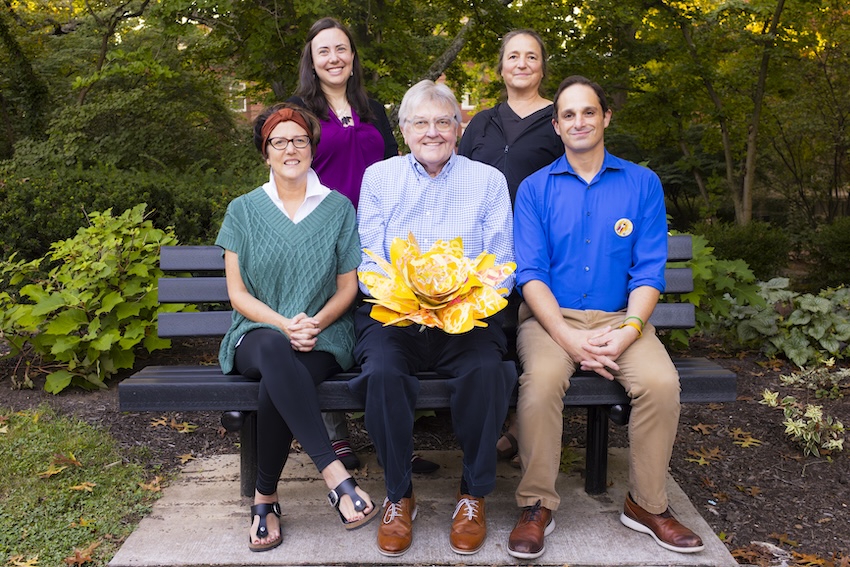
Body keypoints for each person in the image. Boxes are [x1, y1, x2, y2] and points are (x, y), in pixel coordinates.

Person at [507, 75, 705, 559]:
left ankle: (646, 505)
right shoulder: (535, 189)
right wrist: (567, 339)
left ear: (605, 117)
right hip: (552, 320)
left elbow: (649, 272)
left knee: (660, 383)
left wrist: (628, 332)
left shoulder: (641, 183)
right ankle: (536, 505)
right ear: (556, 125)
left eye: (588, 112)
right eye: (569, 114)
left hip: (621, 319)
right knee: (540, 383)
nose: (579, 121)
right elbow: (530, 274)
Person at [350, 80, 517, 557]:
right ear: (403, 130)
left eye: (443, 122)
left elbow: (501, 264)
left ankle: (472, 494)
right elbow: (370, 263)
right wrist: (414, 303)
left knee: (489, 372)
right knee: (380, 373)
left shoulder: (487, 181)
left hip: (467, 314)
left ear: (459, 128)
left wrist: (459, 304)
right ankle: (399, 494)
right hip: (397, 314)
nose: (432, 131)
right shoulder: (379, 178)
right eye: (420, 122)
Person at [216, 102, 378, 552]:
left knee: (278, 385)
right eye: (280, 141)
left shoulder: (339, 208)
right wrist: (284, 325)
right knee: (272, 351)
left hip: (324, 336)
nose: (291, 148)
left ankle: (264, 499)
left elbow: (348, 288)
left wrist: (315, 322)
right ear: (265, 152)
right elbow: (239, 296)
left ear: (312, 147)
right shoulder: (243, 210)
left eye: (300, 139)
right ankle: (335, 475)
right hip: (257, 333)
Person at [288, 18, 442, 474]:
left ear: (353, 56)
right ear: (312, 62)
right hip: (323, 233)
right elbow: (286, 166)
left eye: (341, 49)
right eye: (323, 52)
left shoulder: (372, 107)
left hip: (381, 235)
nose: (334, 58)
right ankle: (333, 436)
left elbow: (403, 167)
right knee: (327, 327)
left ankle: (394, 437)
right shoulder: (300, 110)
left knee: (386, 328)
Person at [457, 28, 563, 465]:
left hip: (539, 244)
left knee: (527, 330)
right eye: (513, 56)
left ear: (542, 67)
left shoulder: (559, 118)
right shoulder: (482, 121)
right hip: (482, 247)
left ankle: (524, 427)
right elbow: (456, 174)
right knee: (492, 332)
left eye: (531, 57)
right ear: (501, 66)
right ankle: (497, 424)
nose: (521, 63)